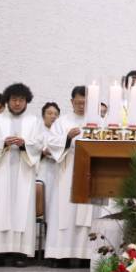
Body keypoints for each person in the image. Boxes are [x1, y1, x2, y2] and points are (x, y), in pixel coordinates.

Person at [0, 83, 44, 267]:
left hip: (24, 171)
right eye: (14, 99)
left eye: (21, 100)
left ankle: (20, 253)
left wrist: (25, 144)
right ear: (7, 101)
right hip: (1, 170)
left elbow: (40, 143)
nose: (17, 103)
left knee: (22, 209)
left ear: (27, 101)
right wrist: (3, 142)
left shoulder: (34, 121)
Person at [45, 86, 107, 263]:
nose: (81, 106)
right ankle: (60, 255)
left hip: (90, 171)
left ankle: (85, 255)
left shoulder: (99, 122)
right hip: (67, 170)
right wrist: (67, 138)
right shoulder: (61, 122)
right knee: (64, 211)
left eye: (85, 103)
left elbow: (106, 143)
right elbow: (51, 144)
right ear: (72, 102)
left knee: (88, 212)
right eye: (78, 102)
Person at [37, 101, 60, 194]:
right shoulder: (37, 132)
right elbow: (30, 152)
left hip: (57, 171)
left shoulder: (62, 134)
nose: (53, 116)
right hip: (41, 171)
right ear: (43, 116)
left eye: (56, 114)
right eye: (49, 113)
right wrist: (43, 152)